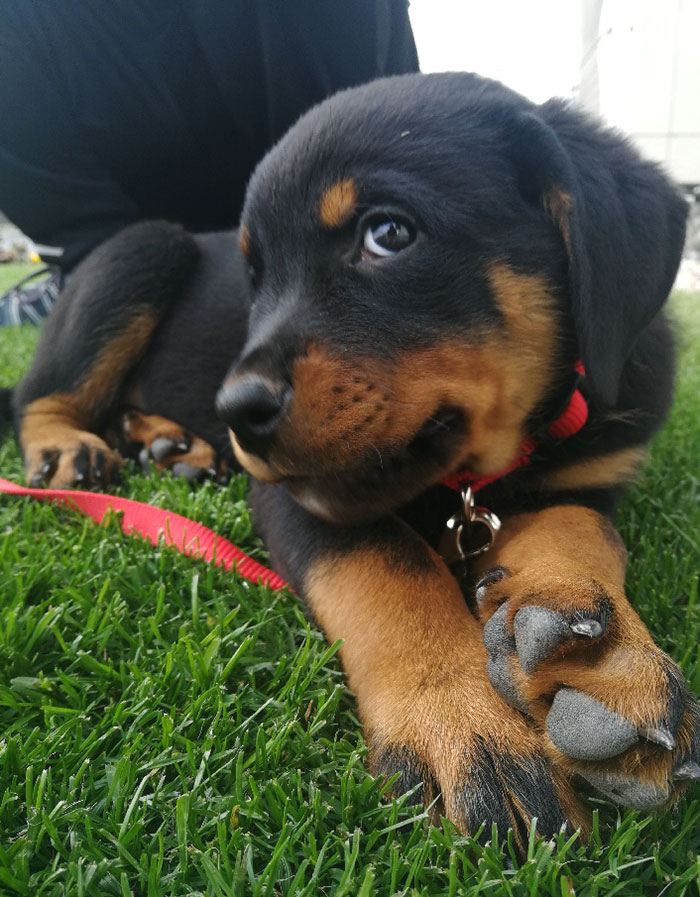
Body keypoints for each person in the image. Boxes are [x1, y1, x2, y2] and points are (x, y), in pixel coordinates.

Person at [0, 0, 419, 324]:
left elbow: (399, 142)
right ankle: (78, 288)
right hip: (143, 249)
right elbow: (77, 224)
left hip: (337, 233)